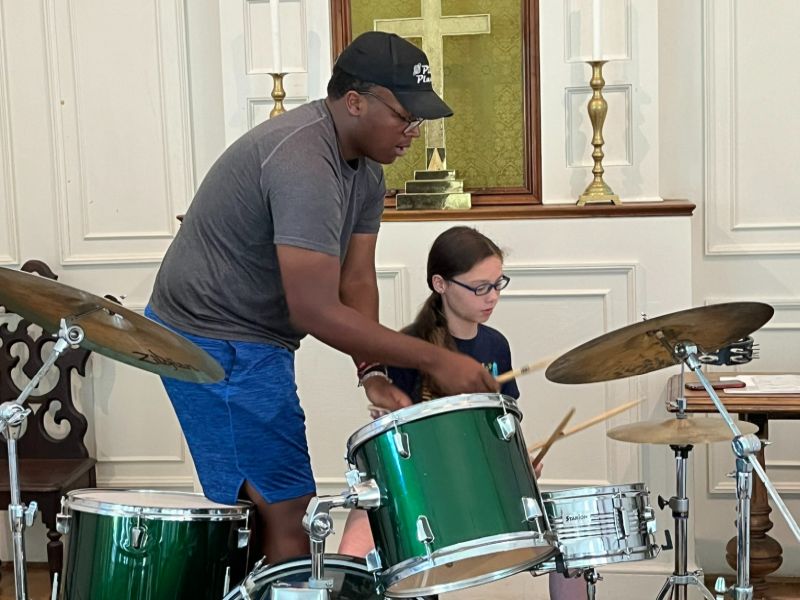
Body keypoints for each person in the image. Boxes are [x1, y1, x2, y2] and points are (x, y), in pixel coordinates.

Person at [144, 31, 498, 565]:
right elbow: (311, 308)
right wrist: (436, 358)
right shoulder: (303, 162)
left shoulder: (368, 176)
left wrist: (372, 370)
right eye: (405, 115)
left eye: (419, 119)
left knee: (282, 513)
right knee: (286, 517)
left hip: (255, 339)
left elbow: (355, 280)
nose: (413, 131)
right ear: (354, 101)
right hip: (212, 339)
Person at [338, 226, 586, 600]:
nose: (493, 297)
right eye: (479, 287)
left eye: (498, 283)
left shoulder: (496, 344)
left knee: (574, 536)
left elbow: (503, 423)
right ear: (440, 284)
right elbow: (399, 440)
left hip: (482, 485)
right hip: (422, 490)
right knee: (353, 562)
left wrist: (519, 462)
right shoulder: (410, 349)